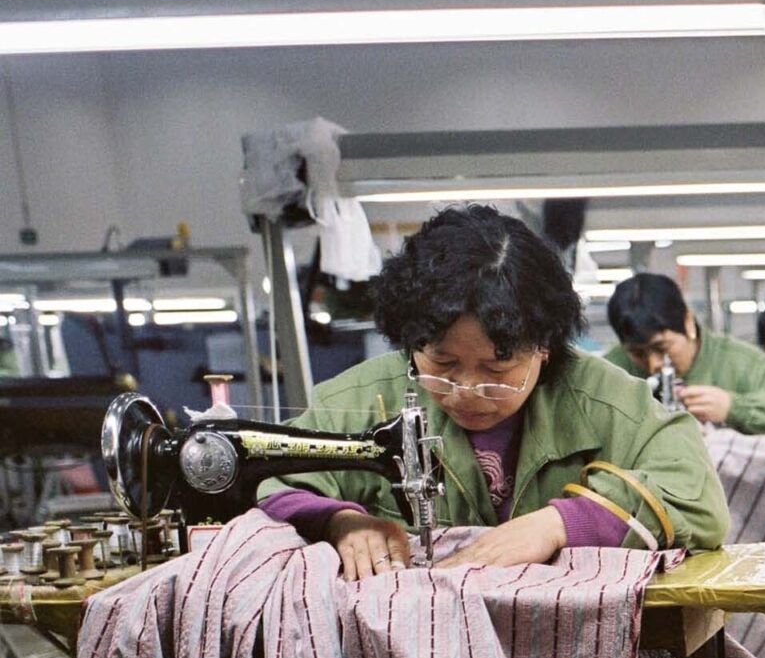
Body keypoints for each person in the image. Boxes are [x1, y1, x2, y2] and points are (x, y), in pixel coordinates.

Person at [257, 205, 727, 581]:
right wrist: (341, 521)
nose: (465, 390)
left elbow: (696, 496)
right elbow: (271, 482)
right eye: (441, 363)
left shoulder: (605, 399)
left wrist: (561, 523)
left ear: (544, 348)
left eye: (497, 368)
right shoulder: (358, 397)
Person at [606, 272, 765, 435]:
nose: (653, 363)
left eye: (662, 348)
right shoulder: (612, 371)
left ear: (688, 323)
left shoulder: (743, 363)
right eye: (637, 353)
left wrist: (734, 408)